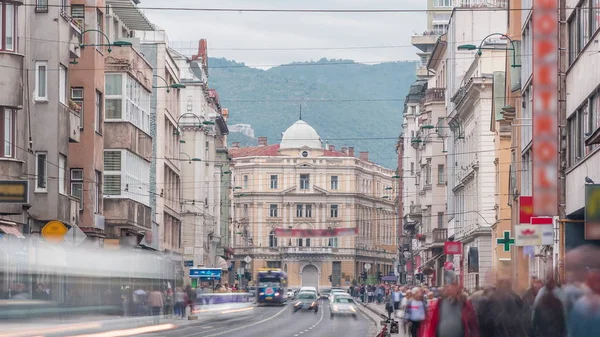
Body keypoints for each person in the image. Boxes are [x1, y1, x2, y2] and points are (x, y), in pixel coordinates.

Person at [424, 272, 479, 337]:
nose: (449, 288)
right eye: (448, 286)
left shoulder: (465, 304)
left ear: (457, 288)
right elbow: (433, 324)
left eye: (452, 286)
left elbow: (473, 325)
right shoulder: (440, 303)